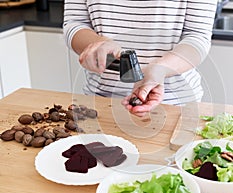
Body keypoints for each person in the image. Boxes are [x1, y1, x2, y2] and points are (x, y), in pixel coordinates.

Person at [63, 0, 217, 117]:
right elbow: (75, 23)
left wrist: (160, 68)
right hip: (99, 102)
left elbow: (197, 36)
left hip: (177, 107)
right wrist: (97, 43)